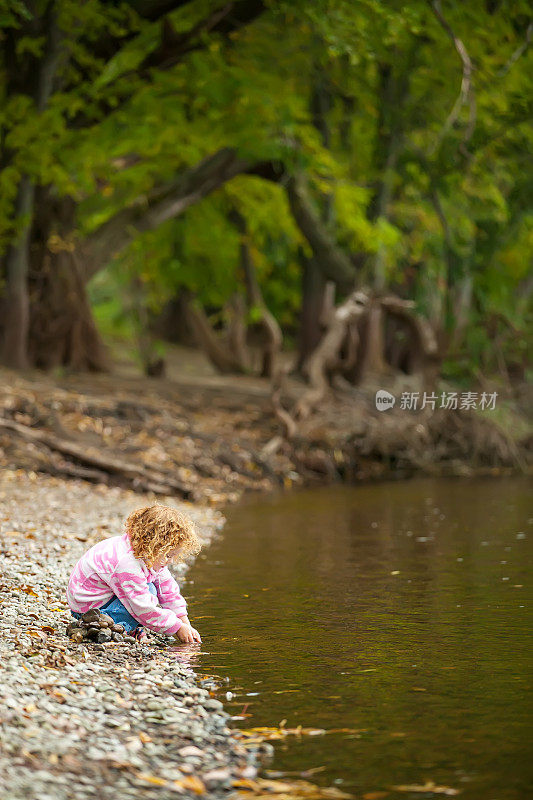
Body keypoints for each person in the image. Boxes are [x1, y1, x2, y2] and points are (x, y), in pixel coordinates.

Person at [66, 504, 202, 643]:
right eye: (168, 555)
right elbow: (143, 607)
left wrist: (185, 624)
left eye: (174, 555)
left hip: (104, 598)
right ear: (153, 545)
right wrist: (177, 628)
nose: (171, 561)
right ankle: (100, 627)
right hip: (88, 609)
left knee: (152, 589)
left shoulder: (149, 555)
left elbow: (168, 591)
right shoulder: (127, 563)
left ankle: (121, 624)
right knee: (149, 592)